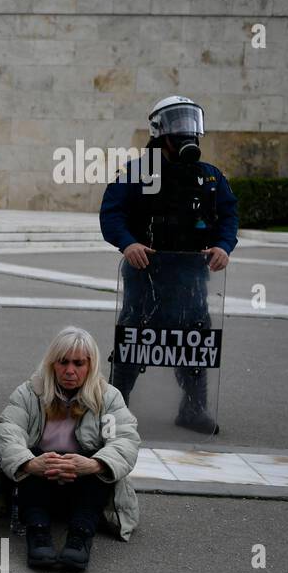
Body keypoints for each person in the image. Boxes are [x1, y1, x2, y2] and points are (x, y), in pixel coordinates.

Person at [99, 95, 238, 434]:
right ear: (160, 130)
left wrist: (223, 246)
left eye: (190, 122)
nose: (186, 131)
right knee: (134, 336)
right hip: (145, 273)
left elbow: (229, 215)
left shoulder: (209, 177)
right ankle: (118, 410)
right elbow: (111, 213)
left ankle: (193, 409)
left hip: (191, 276)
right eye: (177, 123)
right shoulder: (137, 172)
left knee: (195, 338)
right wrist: (128, 242)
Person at [0, 327, 142, 571]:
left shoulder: (108, 398)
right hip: (41, 480)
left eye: (78, 363)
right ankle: (38, 532)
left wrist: (93, 464)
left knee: (100, 466)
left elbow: (123, 441)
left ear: (91, 366)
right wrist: (31, 463)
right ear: (52, 363)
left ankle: (80, 536)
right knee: (35, 459)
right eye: (63, 362)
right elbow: (8, 434)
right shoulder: (30, 393)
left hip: (84, 484)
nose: (70, 371)